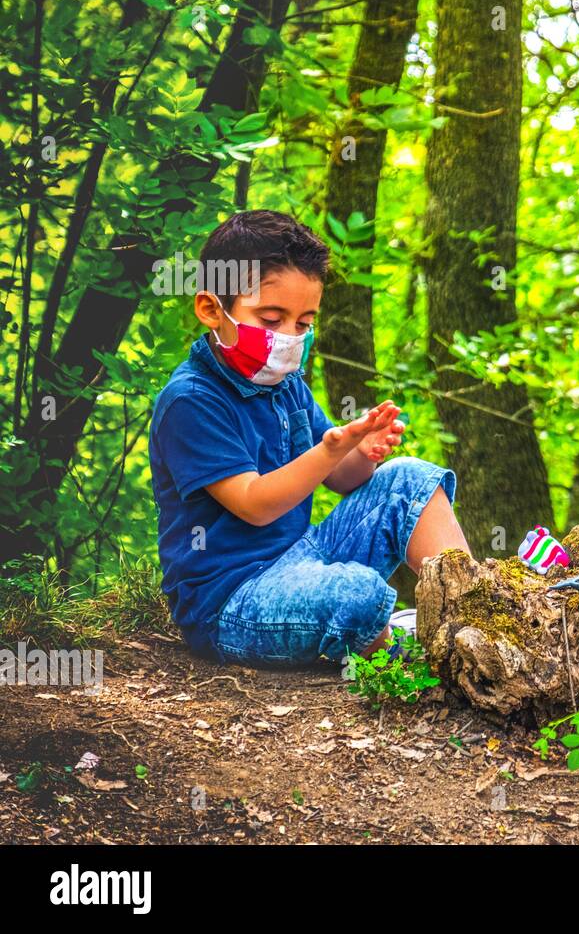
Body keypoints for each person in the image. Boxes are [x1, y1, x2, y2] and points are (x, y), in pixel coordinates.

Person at [148, 210, 469, 668]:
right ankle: (417, 660)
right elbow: (254, 503)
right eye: (271, 318)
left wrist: (362, 452)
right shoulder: (190, 400)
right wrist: (330, 448)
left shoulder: (285, 383)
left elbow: (340, 478)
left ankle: (477, 617)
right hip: (232, 604)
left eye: (302, 324)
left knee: (411, 478)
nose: (288, 338)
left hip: (301, 559)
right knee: (358, 592)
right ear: (211, 309)